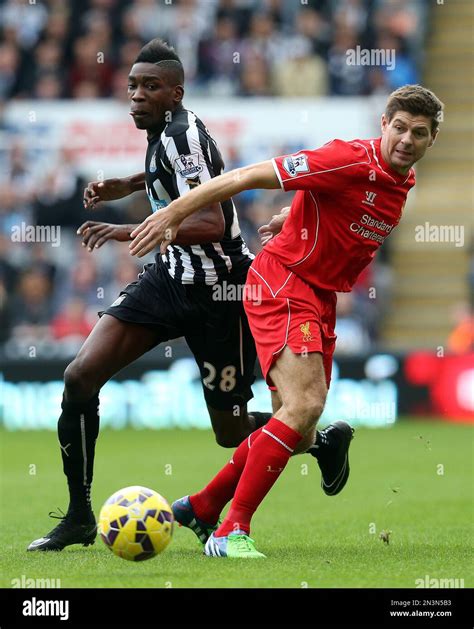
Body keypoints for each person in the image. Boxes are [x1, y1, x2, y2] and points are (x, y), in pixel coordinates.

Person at [27, 38, 343, 553]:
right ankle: (80, 516)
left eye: (150, 87)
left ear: (175, 93)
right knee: (79, 377)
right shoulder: (163, 134)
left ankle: (320, 442)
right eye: (132, 85)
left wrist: (130, 231)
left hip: (220, 292)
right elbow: (175, 183)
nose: (137, 95)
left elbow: (211, 220)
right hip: (170, 281)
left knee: (230, 430)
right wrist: (128, 185)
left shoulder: (182, 135)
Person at [129, 84, 443, 557]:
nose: (406, 139)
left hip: (318, 295)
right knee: (305, 405)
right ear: (384, 124)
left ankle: (202, 505)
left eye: (418, 133)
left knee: (297, 432)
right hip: (283, 281)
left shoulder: (403, 180)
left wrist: (292, 217)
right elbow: (248, 175)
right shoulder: (348, 158)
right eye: (399, 127)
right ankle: (231, 531)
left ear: (430, 141)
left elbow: (334, 205)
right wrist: (175, 210)